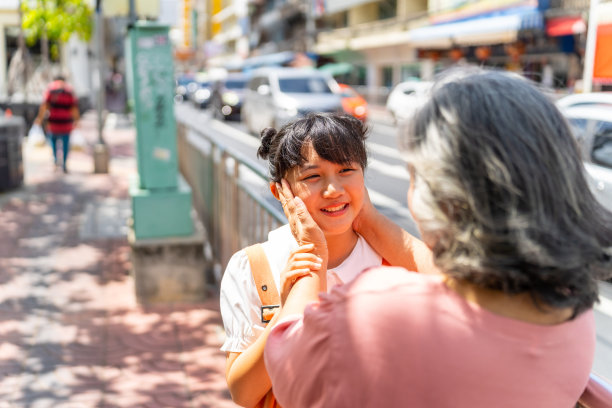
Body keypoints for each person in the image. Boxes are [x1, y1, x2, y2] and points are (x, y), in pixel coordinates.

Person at [264, 69, 612, 407]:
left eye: (415, 176)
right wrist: (368, 221)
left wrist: (311, 258)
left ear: (443, 196)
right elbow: (463, 284)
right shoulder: (571, 309)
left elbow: (286, 361)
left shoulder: (378, 308)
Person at [219, 112, 434, 407]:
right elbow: (244, 394)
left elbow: (461, 292)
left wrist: (371, 221)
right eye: (312, 177)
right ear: (281, 192)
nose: (333, 190)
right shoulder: (253, 267)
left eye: (347, 170)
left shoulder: (396, 258)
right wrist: (284, 314)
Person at [34, 75, 79, 173]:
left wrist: (39, 119)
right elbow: (74, 108)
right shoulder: (69, 90)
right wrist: (77, 121)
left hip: (53, 123)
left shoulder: (50, 89)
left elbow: (44, 106)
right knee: (65, 145)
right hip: (66, 123)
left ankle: (55, 162)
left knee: (53, 143)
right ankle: (64, 164)